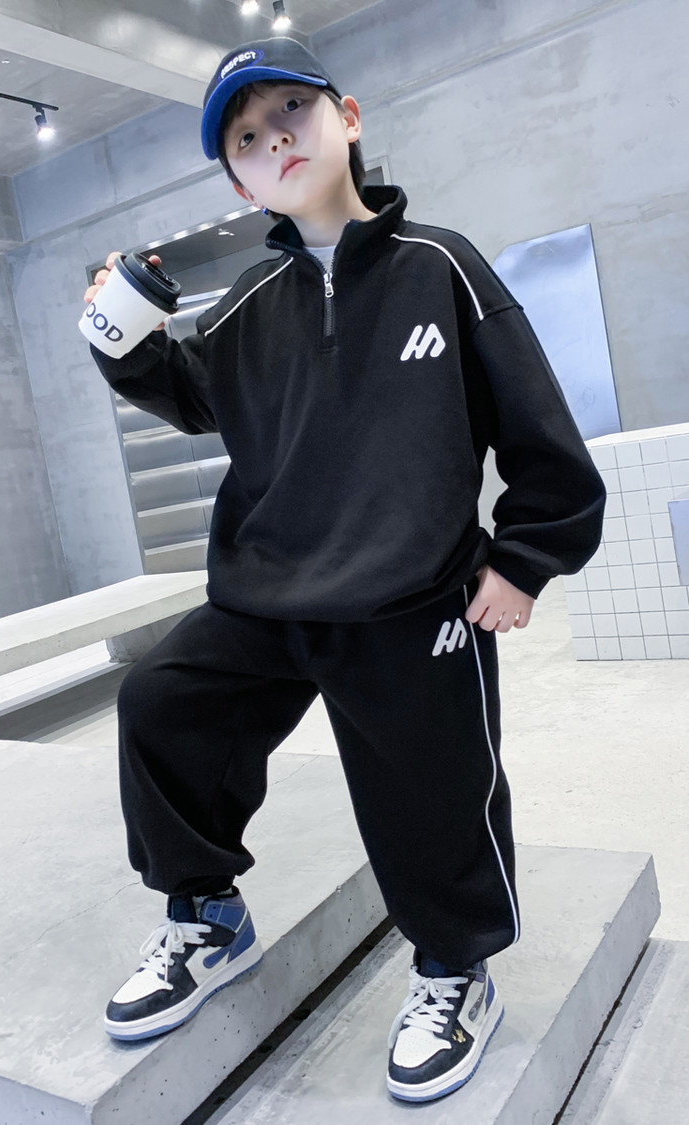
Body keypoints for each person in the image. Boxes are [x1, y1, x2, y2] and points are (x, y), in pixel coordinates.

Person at [84, 37, 606, 1103]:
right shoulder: (245, 307)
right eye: (245, 137)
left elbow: (540, 432)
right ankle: (208, 916)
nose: (273, 138)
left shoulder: (441, 266)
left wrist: (525, 559)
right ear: (240, 183)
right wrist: (119, 337)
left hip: (413, 599)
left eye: (290, 110)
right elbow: (187, 391)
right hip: (269, 596)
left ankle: (454, 969)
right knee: (162, 705)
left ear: (348, 118)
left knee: (432, 799)